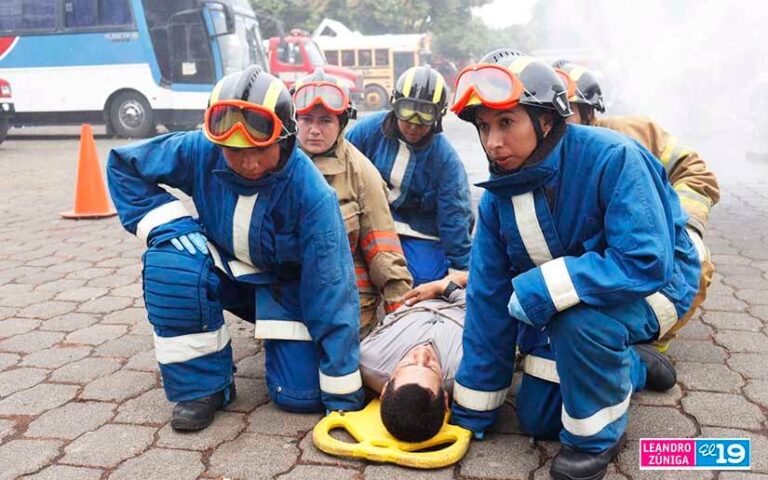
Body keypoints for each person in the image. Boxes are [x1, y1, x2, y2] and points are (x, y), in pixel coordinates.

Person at [449, 56, 700, 480]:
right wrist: (472, 411)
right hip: (568, 295)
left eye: (506, 123)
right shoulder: (497, 198)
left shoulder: (614, 157)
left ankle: (595, 441)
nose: (493, 143)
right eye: (484, 127)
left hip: (656, 287)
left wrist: (541, 288)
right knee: (538, 418)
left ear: (546, 120)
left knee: (578, 325)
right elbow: (488, 301)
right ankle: (633, 365)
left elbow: (645, 261)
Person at [107, 66, 364, 432]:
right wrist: (166, 224)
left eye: (260, 150)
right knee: (171, 263)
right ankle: (202, 387)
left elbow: (331, 288)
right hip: (226, 272)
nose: (248, 163)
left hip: (286, 291)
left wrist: (344, 398)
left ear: (285, 138)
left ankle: (287, 350)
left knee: (300, 396)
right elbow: (123, 164)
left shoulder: (312, 194)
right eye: (234, 151)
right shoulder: (201, 150)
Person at [554, 60, 719, 351]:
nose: (553, 125)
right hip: (597, 255)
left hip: (649, 238)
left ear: (589, 112)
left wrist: (681, 224)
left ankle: (650, 346)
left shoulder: (631, 133)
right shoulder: (544, 156)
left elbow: (695, 171)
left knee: (694, 258)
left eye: (565, 113)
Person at [293, 68, 412, 329]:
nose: (314, 130)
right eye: (307, 120)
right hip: (291, 297)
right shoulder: (276, 163)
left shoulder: (361, 172)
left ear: (342, 123)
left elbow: (385, 253)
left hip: (348, 302)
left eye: (325, 121)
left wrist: (403, 324)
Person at [346, 65, 473, 286]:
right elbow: (341, 169)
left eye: (425, 114)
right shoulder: (367, 131)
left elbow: (454, 215)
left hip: (418, 231)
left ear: (438, 115)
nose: (414, 124)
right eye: (407, 110)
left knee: (423, 279)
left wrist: (460, 269)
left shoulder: (446, 159)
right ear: (394, 104)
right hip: (367, 219)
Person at [359, 276, 466, 442]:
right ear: (445, 399)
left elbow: (392, 317)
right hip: (462, 291)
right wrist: (445, 287)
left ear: (385, 389)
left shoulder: (370, 358)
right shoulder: (462, 368)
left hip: (416, 293)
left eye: (409, 363)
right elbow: (485, 310)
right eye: (431, 367)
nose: (422, 354)